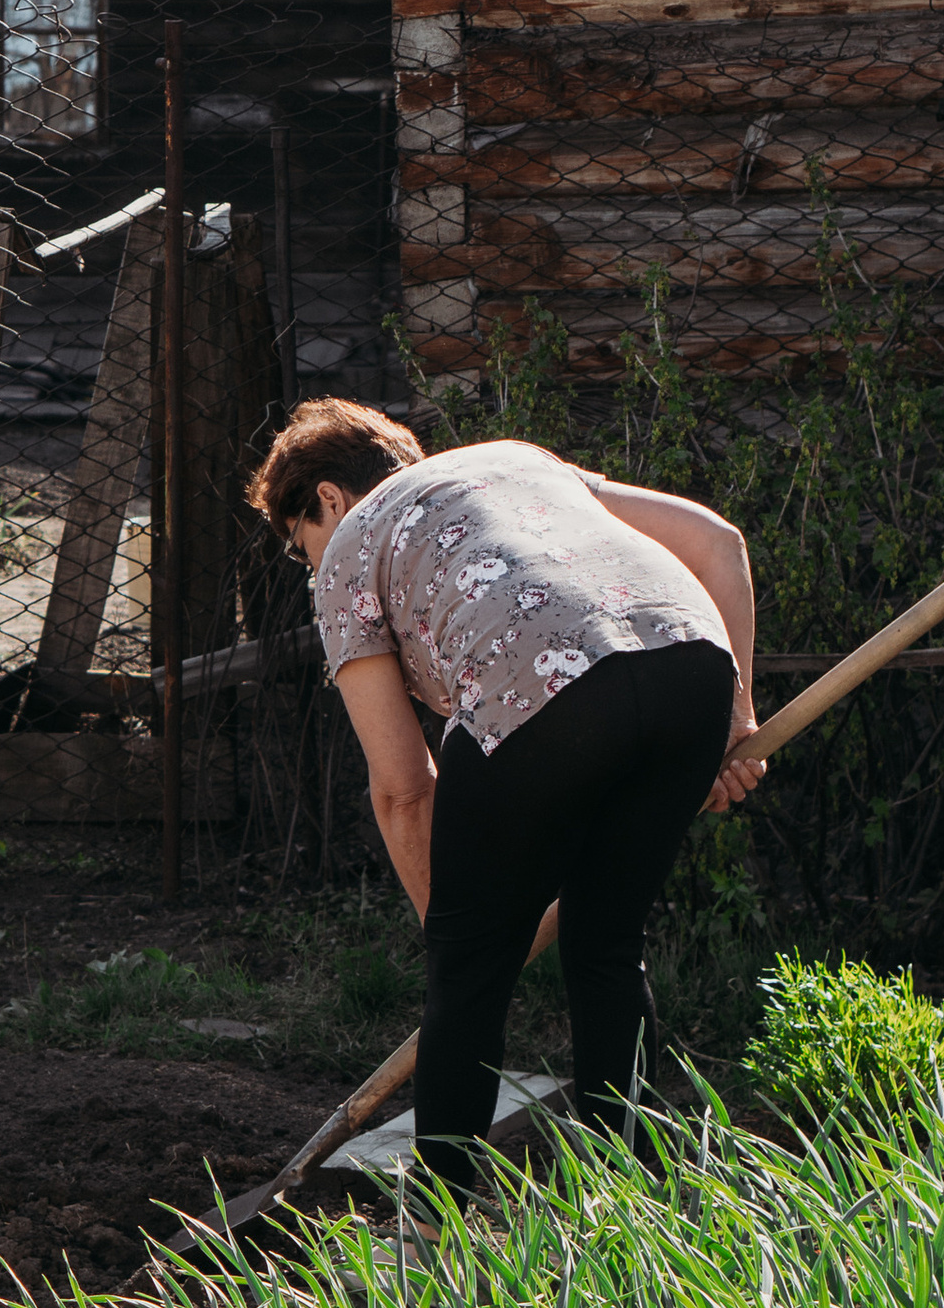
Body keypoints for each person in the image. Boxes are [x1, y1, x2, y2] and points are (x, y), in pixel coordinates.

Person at [249, 400, 767, 1194]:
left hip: (542, 689)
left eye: (299, 547)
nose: (311, 563)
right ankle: (632, 1206)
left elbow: (402, 786)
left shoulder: (352, 546)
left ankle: (435, 1230)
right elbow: (718, 543)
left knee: (468, 970)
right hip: (692, 665)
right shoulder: (517, 460)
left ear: (325, 498)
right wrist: (736, 719)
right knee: (606, 944)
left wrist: (456, 942)